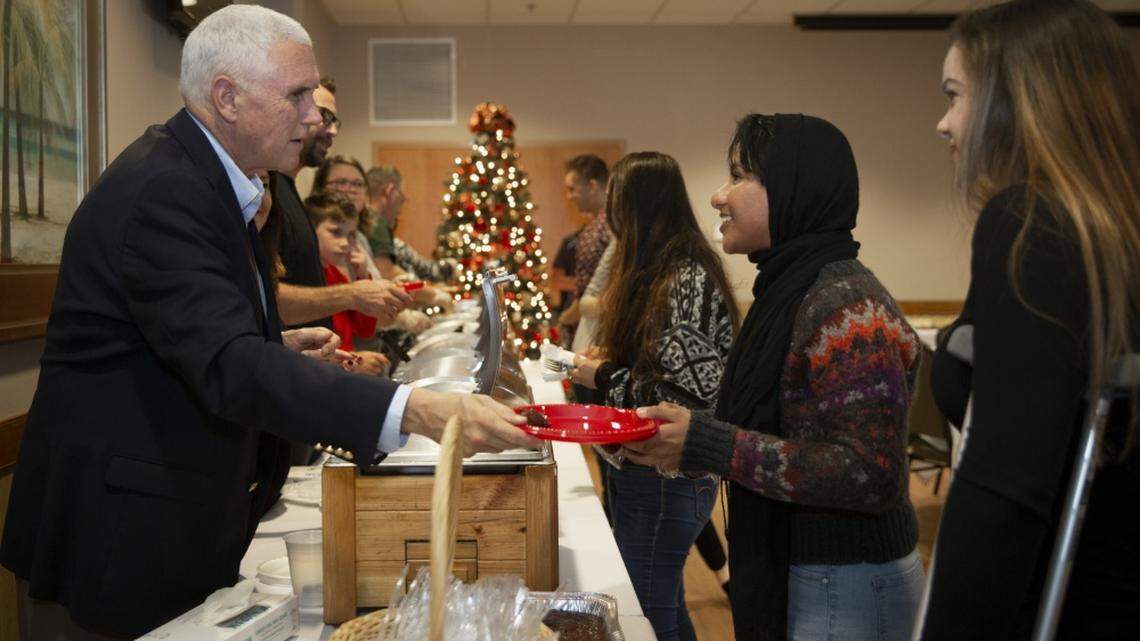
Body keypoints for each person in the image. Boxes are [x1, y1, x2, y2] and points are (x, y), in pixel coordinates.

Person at [0, 6, 539, 637]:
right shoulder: (167, 190)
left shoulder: (220, 182)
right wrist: (414, 409)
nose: (314, 117)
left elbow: (190, 337)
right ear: (226, 98)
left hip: (172, 517)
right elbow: (227, 365)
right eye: (298, 95)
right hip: (122, 537)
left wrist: (274, 343)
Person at [627, 114, 924, 641]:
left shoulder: (846, 304)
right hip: (807, 568)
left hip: (846, 581)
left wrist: (712, 444)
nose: (720, 196)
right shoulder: (787, 290)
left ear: (794, 188)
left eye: (740, 175)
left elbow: (869, 473)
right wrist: (681, 437)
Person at [916, 2, 1140, 639]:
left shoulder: (1030, 224)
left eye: (955, 96)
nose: (942, 122)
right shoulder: (1112, 232)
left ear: (1017, 101)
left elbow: (1004, 493)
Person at [569, 152, 738, 641]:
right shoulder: (659, 269)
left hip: (667, 474)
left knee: (647, 609)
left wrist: (602, 375)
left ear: (638, 206)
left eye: (618, 204)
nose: (611, 218)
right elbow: (658, 369)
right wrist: (611, 364)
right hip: (643, 468)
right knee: (660, 605)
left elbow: (684, 400)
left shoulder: (685, 278)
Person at [267, 78, 405, 332]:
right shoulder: (268, 192)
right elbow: (267, 297)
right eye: (324, 116)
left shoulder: (288, 190)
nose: (331, 131)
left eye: (334, 122)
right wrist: (351, 294)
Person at [305, 190, 380, 354]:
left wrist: (362, 277)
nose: (345, 243)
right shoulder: (306, 281)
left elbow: (364, 331)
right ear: (310, 230)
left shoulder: (337, 276)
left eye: (351, 234)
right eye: (335, 232)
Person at [364, 165, 457, 284]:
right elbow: (387, 273)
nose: (400, 211)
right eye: (401, 199)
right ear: (390, 191)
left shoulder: (366, 217)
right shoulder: (376, 221)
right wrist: (434, 294)